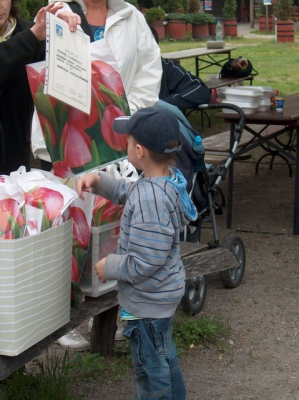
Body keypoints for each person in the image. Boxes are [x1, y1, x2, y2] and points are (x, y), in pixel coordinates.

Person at [49, 0, 162, 350]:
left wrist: (132, 118)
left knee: (112, 227)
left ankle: (111, 312)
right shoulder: (60, 9)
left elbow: (149, 70)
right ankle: (62, 315)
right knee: (69, 228)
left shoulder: (131, 18)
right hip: (72, 134)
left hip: (117, 137)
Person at [76, 106, 197, 399]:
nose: (125, 144)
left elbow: (146, 259)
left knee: (151, 376)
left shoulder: (150, 199)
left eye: (128, 141)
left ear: (139, 151)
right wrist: (99, 182)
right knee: (165, 362)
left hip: (147, 304)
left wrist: (112, 266)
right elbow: (130, 192)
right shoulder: (165, 180)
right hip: (160, 298)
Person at [31, 0, 162, 170]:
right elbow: (35, 67)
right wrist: (55, 28)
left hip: (120, 142)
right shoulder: (56, 12)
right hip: (66, 145)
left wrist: (125, 115)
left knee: (115, 194)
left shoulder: (131, 17)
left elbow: (148, 72)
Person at [0, 0, 80, 175]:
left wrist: (63, 33)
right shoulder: (30, 36)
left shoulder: (27, 32)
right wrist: (33, 35)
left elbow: (64, 77)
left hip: (16, 171)